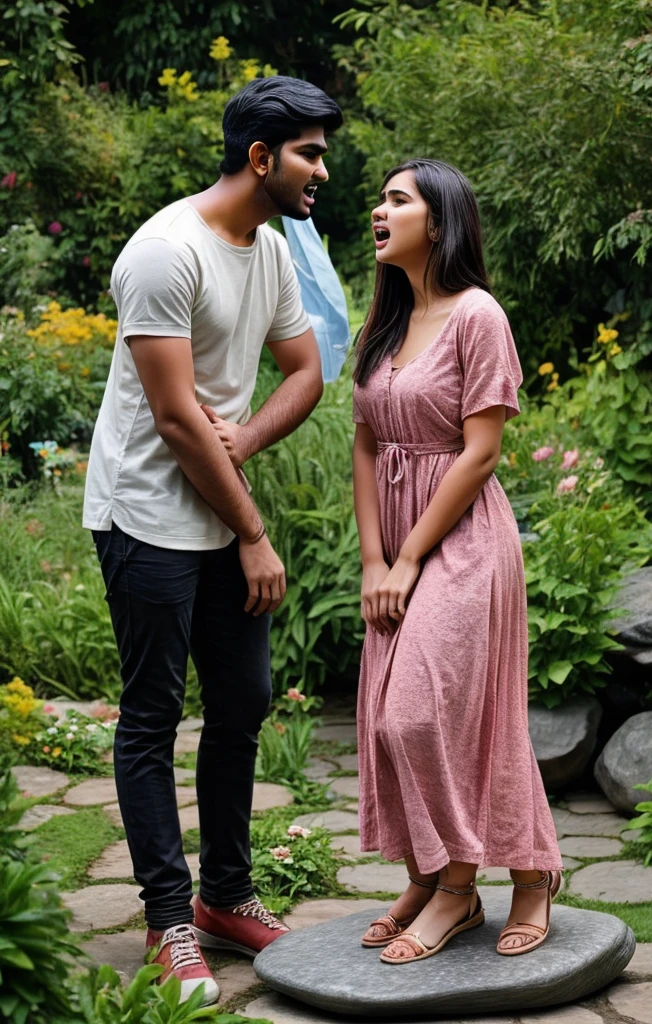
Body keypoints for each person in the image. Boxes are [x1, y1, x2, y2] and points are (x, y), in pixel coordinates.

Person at [83, 76, 342, 1004]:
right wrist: (256, 531)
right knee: (152, 716)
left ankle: (228, 897)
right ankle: (168, 920)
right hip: (149, 515)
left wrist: (254, 436)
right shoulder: (164, 252)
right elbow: (175, 420)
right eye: (310, 153)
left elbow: (306, 369)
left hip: (220, 508)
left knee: (243, 701)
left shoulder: (268, 248)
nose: (323, 170)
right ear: (262, 158)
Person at [352, 159, 563, 965]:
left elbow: (480, 453)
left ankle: (469, 887)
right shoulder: (387, 319)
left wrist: (406, 558)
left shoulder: (480, 316)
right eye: (381, 199)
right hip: (395, 546)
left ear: (438, 223)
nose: (379, 209)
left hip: (465, 540)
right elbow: (367, 443)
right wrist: (375, 560)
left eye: (397, 200)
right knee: (383, 719)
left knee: (421, 712)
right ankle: (432, 870)